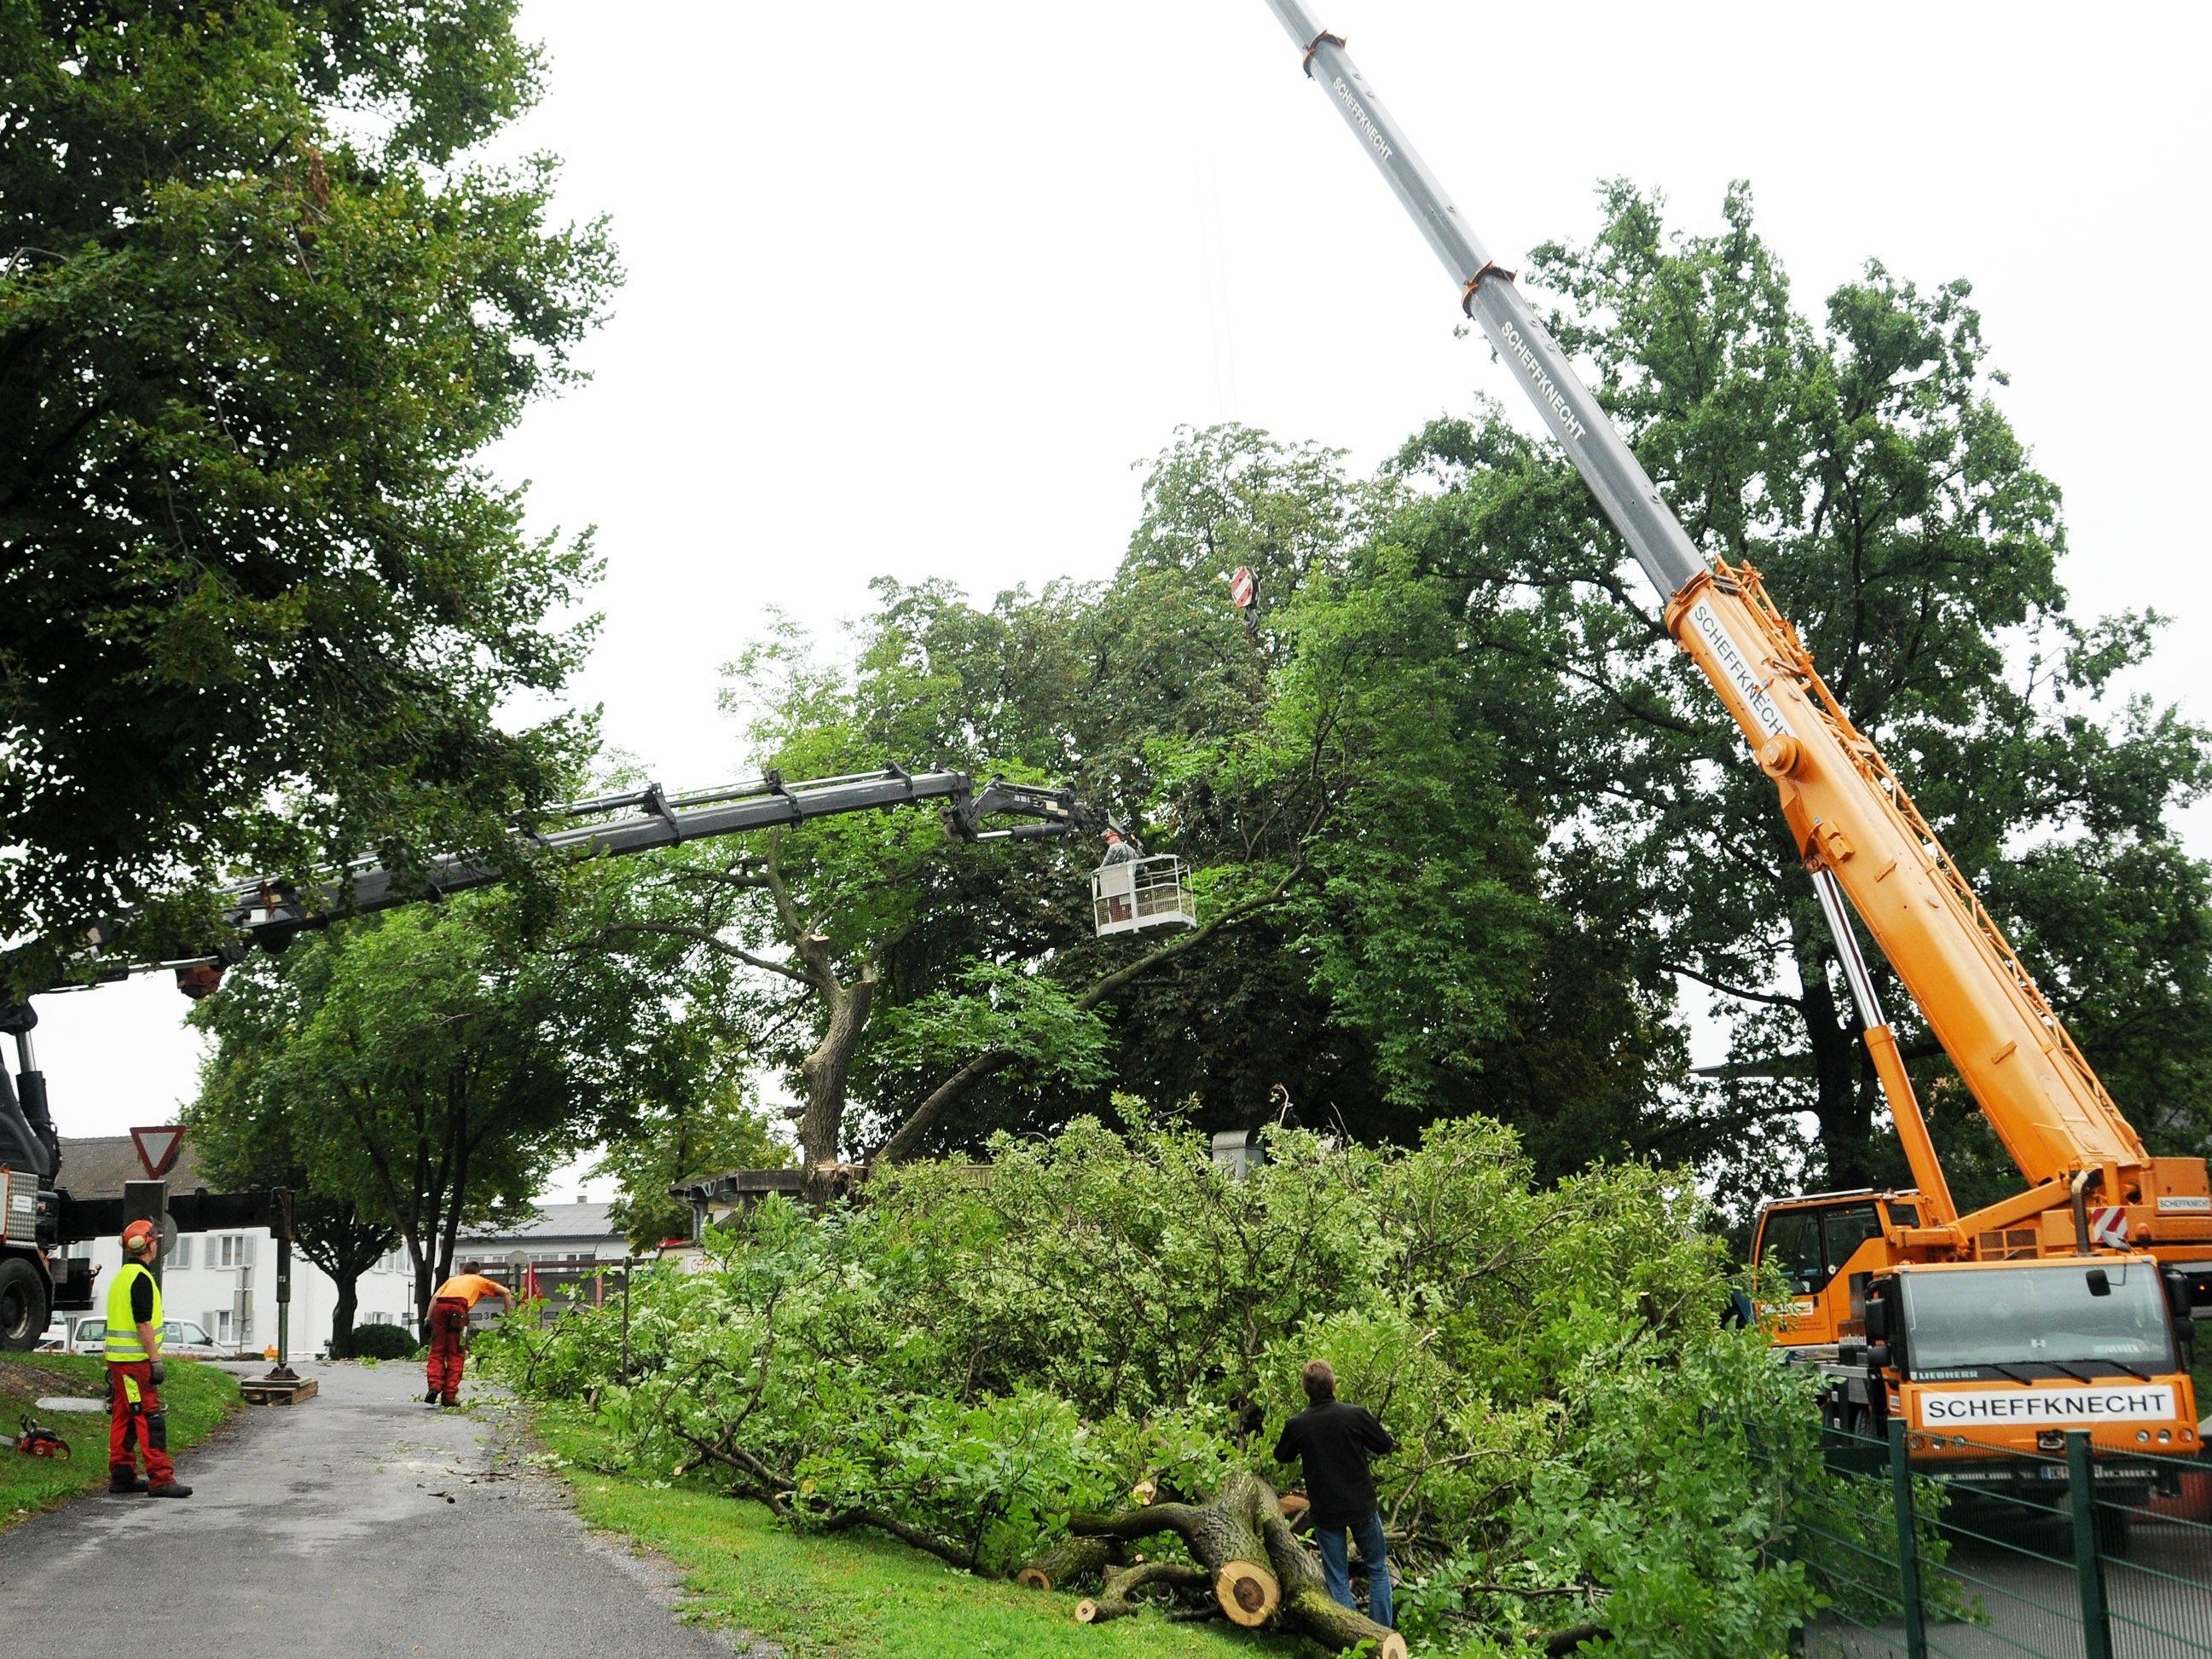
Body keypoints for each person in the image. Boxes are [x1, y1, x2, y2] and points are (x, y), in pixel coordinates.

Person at [1273, 1359, 1393, 1627]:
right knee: (1377, 1570)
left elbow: (1282, 1455)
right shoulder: (1354, 1414)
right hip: (1361, 1506)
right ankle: (1382, 1635)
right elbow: (1384, 1444)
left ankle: (1350, 1641)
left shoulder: (1298, 1424)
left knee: (1338, 1578)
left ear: (1305, 1389)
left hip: (1326, 1512)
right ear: (1334, 1385)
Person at [105, 1219, 192, 1498]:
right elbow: (143, 1323)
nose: (157, 1244)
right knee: (148, 1417)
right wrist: (155, 1360)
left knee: (124, 1415)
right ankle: (161, 1478)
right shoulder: (141, 1279)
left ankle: (122, 1475)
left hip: (119, 1363)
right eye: (155, 1240)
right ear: (149, 1244)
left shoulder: (121, 1277)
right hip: (136, 1364)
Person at [424, 1266, 517, 1407]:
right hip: (459, 1312)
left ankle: (434, 1386)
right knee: (456, 1353)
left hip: (440, 1310)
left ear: (462, 1272)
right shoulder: (479, 1280)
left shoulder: (452, 1280)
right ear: (478, 1272)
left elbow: (436, 1297)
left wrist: (427, 1320)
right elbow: (506, 1292)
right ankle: (449, 1396)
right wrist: (508, 1317)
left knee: (437, 1351)